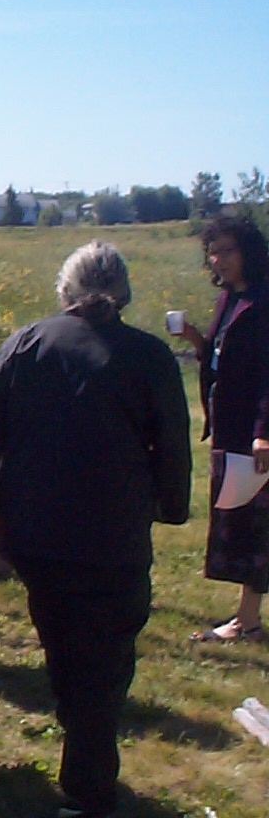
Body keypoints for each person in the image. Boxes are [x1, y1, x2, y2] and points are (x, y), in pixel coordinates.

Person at [0, 240, 191, 818]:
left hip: (37, 530)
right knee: (106, 657)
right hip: (113, 533)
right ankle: (89, 784)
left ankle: (81, 748)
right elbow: (172, 444)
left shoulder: (26, 343)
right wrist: (170, 506)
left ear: (65, 290)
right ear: (124, 292)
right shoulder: (148, 355)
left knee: (63, 641)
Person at [178, 216, 269, 642]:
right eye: (213, 252)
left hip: (253, 432)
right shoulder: (228, 299)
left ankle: (247, 622)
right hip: (229, 428)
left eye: (228, 250)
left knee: (254, 524)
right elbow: (223, 360)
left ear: (248, 252)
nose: (219, 260)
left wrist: (264, 431)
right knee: (237, 520)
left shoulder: (263, 301)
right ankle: (246, 618)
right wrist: (197, 340)